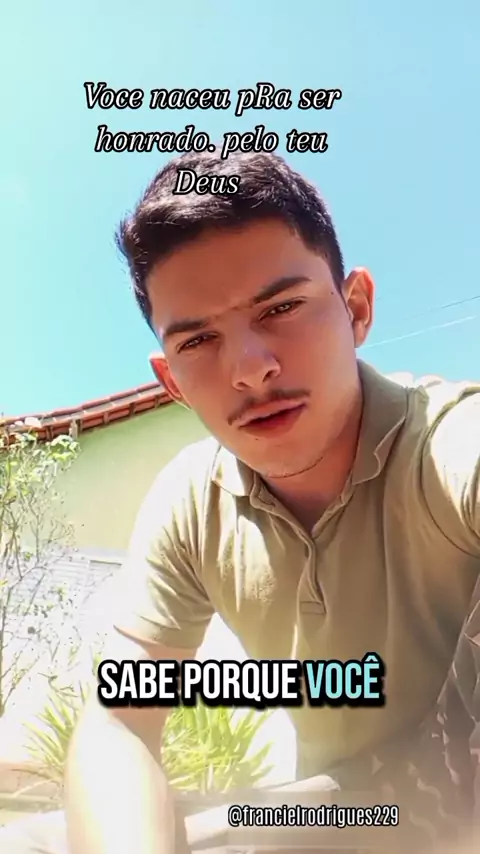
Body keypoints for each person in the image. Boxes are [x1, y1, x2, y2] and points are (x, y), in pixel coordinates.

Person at [1, 150, 479, 853]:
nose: (251, 369)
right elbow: (120, 720)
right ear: (171, 381)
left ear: (356, 308)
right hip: (336, 814)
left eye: (281, 308)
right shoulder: (192, 503)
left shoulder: (448, 444)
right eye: (199, 340)